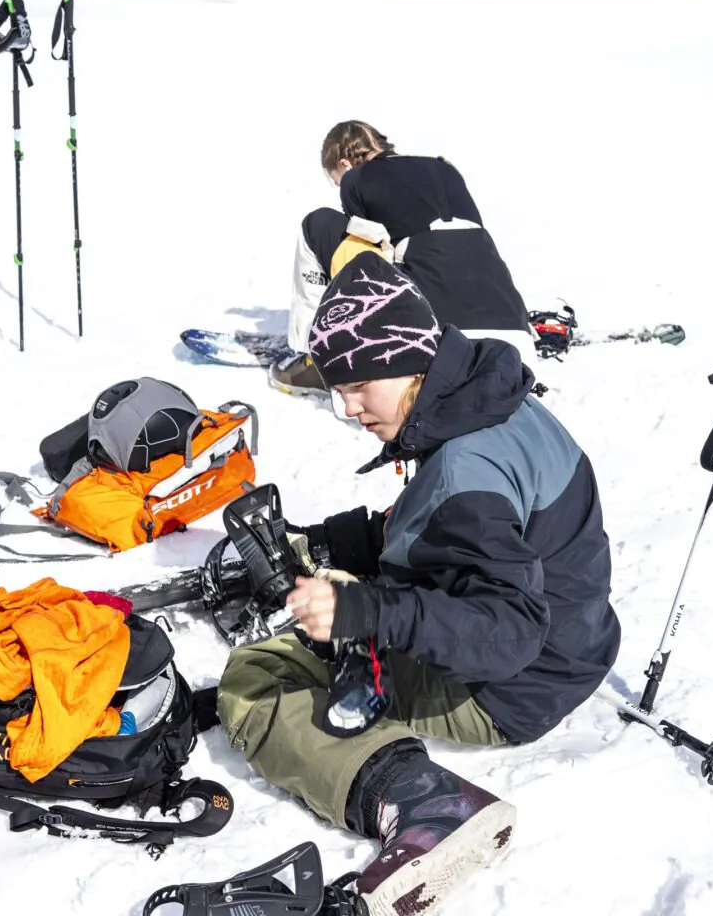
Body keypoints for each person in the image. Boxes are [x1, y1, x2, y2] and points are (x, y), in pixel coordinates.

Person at [218, 253, 621, 916]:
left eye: (358, 385)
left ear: (408, 361)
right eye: (337, 388)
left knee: (258, 677)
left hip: (510, 686)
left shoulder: (467, 473)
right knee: (342, 593)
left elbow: (509, 631)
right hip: (575, 644)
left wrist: (364, 610)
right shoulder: (489, 400)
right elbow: (441, 525)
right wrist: (326, 544)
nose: (348, 408)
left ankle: (422, 803)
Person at [273, 119, 536, 395]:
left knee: (318, 225)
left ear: (345, 164)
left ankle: (316, 359)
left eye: (335, 179)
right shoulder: (445, 169)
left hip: (432, 345)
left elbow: (364, 250)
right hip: (513, 343)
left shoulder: (355, 179)